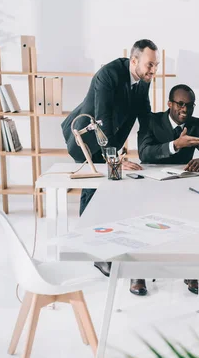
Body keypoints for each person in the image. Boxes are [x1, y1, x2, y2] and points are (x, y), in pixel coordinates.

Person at [61, 39, 159, 294]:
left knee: (112, 192)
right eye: (150, 64)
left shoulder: (143, 80)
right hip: (87, 138)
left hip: (112, 139)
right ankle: (95, 252)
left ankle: (110, 244)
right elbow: (102, 117)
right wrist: (114, 158)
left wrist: (150, 151)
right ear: (134, 60)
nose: (153, 70)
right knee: (93, 191)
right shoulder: (109, 74)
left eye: (156, 65)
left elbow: (144, 114)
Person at [136, 83, 199, 296]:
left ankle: (190, 270)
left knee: (197, 215)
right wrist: (176, 144)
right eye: (180, 104)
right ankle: (137, 273)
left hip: (182, 185)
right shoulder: (151, 120)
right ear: (170, 104)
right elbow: (145, 153)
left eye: (190, 105)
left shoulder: (194, 124)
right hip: (152, 184)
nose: (185, 110)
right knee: (141, 218)